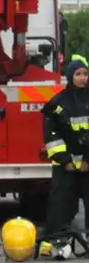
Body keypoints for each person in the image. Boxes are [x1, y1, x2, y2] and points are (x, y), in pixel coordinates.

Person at [41, 57, 89, 233]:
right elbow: (51, 136)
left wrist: (88, 161)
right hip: (64, 166)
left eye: (85, 74)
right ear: (70, 77)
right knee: (60, 204)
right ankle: (59, 239)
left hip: (87, 165)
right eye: (78, 74)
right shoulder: (57, 103)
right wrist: (65, 160)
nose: (82, 78)